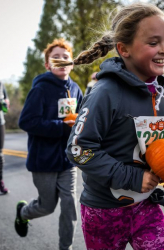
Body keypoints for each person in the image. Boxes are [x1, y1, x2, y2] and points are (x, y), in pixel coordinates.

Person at [51, 3, 164, 249]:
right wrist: (132, 177)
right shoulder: (105, 93)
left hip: (146, 206)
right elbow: (78, 149)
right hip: (103, 211)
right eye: (153, 43)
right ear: (123, 49)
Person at [15, 38, 83, 250]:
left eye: (65, 57)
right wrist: (61, 127)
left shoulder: (76, 89)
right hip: (43, 160)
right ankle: (24, 212)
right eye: (56, 58)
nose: (61, 60)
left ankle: (66, 247)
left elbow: (83, 118)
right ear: (48, 65)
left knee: (70, 205)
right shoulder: (41, 89)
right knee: (47, 206)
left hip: (67, 160)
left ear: (72, 63)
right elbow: (26, 121)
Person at [0, 81, 10, 195]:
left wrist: (6, 103)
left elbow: (6, 100)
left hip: (0, 122)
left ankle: (0, 181)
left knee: (0, 154)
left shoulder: (1, 84)